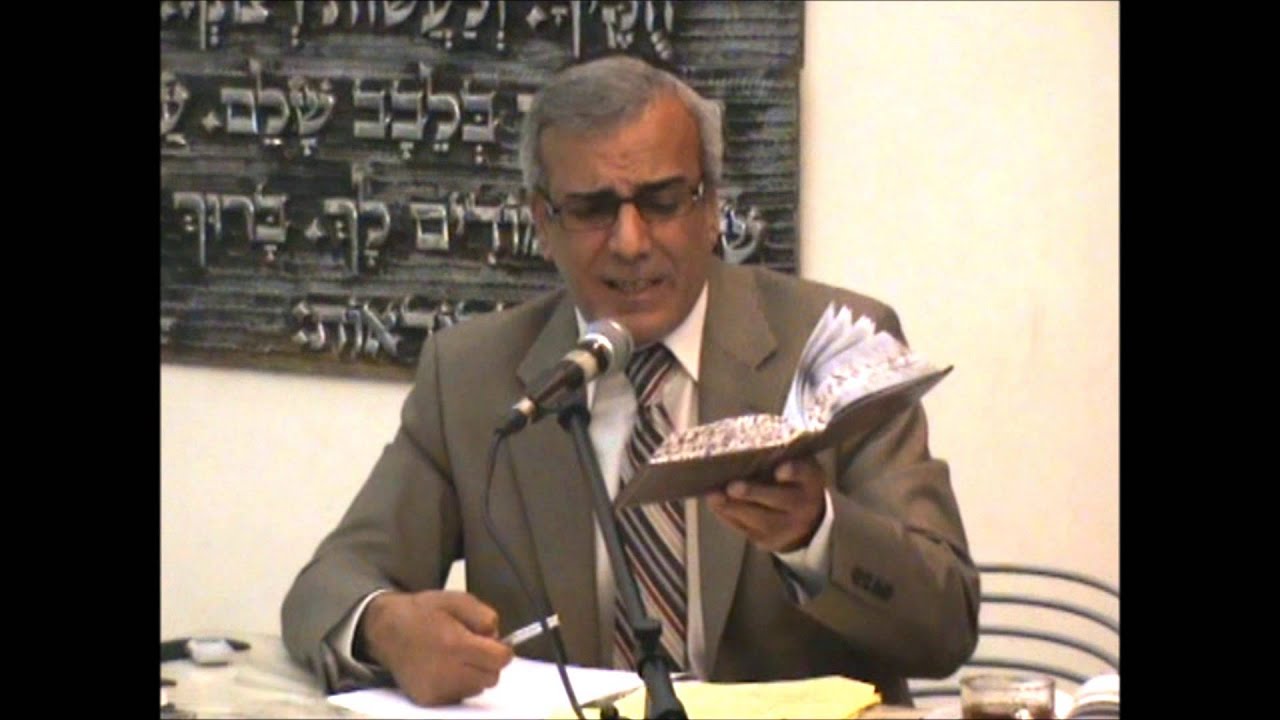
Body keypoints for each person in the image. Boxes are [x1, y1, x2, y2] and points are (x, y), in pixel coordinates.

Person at [281, 54, 979, 708]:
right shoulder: (472, 375)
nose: (631, 242)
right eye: (592, 210)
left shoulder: (834, 346)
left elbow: (946, 625)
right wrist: (384, 626)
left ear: (711, 208)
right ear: (542, 222)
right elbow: (327, 586)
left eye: (663, 202)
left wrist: (815, 533)